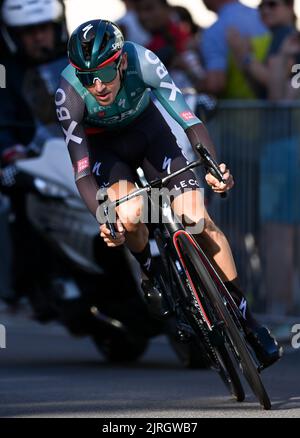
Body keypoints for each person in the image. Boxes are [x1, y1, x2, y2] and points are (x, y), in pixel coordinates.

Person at [56, 19, 282, 368]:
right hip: (106, 150)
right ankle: (151, 271)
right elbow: (82, 172)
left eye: (103, 73)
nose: (97, 86)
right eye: (88, 78)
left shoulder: (143, 60)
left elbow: (189, 121)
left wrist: (213, 167)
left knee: (199, 222)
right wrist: (106, 221)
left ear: (122, 62)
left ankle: (250, 325)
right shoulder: (68, 94)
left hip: (150, 132)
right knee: (130, 216)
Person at [0, 0, 68, 165]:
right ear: (14, 36)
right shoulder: (3, 72)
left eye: (44, 28)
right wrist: (12, 152)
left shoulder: (76, 61)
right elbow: (2, 120)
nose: (38, 37)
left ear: (57, 28)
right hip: (36, 166)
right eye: (28, 31)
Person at [227, 0, 299, 99]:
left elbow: (273, 83)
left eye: (272, 4)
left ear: (290, 6)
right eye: (261, 6)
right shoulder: (278, 36)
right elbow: (262, 91)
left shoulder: (287, 37)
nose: (265, 10)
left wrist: (246, 57)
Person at [199, 0, 269, 98]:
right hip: (273, 107)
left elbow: (216, 84)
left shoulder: (214, 31)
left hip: (237, 109)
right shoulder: (267, 17)